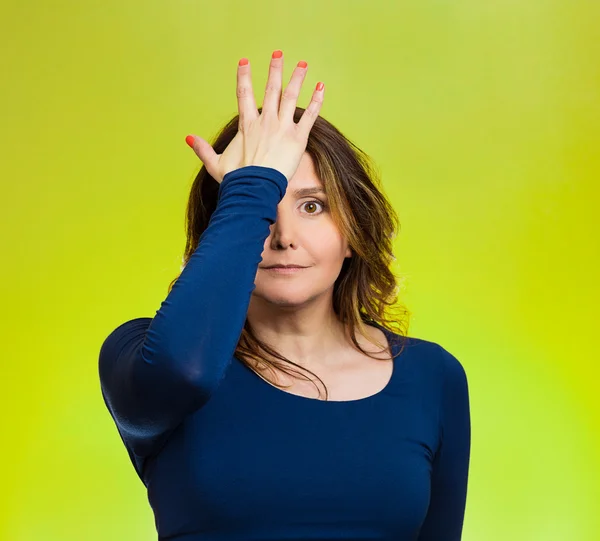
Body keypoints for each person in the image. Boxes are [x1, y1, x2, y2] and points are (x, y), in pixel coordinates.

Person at [99, 50, 471, 540]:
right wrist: (249, 185)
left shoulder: (433, 377)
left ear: (352, 229)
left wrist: (253, 187)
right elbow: (182, 370)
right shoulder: (142, 359)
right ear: (222, 228)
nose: (284, 236)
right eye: (260, 208)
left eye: (313, 205)